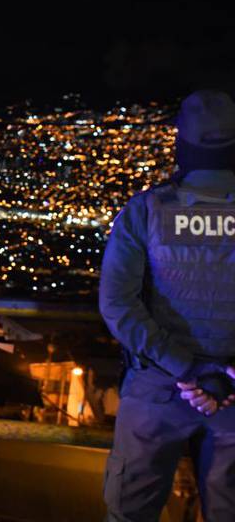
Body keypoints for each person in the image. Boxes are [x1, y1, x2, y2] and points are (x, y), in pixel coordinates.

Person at [100, 89, 235, 521]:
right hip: (232, 396)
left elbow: (118, 303)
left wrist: (187, 368)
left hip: (157, 389)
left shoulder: (147, 210)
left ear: (182, 144)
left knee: (131, 511)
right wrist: (223, 376)